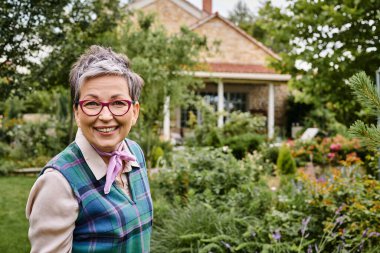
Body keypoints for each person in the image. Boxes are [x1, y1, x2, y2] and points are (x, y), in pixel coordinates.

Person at [26, 45, 153, 252]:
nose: (105, 116)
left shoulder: (134, 153)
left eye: (118, 103)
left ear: (134, 111)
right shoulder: (58, 182)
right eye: (92, 104)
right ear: (77, 112)